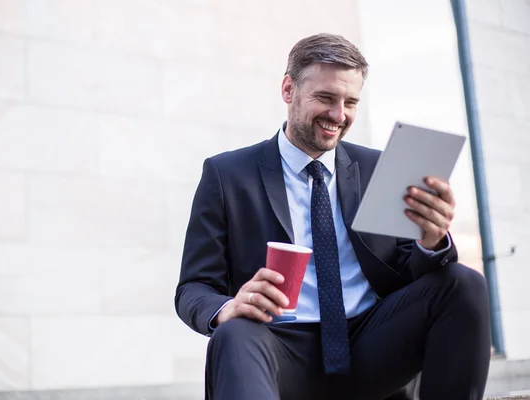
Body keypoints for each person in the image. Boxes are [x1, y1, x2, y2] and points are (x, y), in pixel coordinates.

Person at [174, 33, 491, 400]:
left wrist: (431, 240)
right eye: (326, 98)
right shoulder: (227, 175)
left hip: (370, 346)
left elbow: (410, 276)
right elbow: (193, 287)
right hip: (277, 348)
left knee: (463, 283)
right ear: (288, 89)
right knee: (233, 332)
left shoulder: (378, 169)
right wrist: (228, 307)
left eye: (350, 102)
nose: (339, 115)